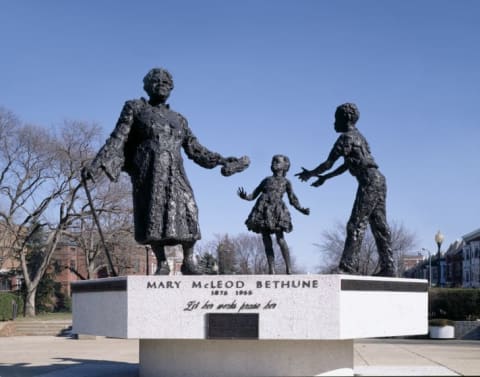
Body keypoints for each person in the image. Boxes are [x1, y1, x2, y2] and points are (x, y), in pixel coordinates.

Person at [84, 68, 249, 275]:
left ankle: (188, 262)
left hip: (175, 171)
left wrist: (222, 160)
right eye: (156, 81)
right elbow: (118, 137)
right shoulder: (135, 108)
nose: (161, 84)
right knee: (153, 213)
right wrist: (97, 163)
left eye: (166, 81)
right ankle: (162, 262)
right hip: (149, 171)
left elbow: (195, 148)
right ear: (146, 86)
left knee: (189, 210)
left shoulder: (179, 119)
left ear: (171, 87)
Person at [296, 103, 395, 277]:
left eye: (336, 119)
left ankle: (347, 266)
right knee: (379, 226)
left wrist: (311, 173)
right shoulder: (359, 137)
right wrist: (325, 178)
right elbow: (346, 165)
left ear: (346, 119)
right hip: (379, 180)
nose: (334, 123)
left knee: (355, 224)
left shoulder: (345, 138)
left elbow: (328, 163)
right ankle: (389, 267)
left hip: (369, 182)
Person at [238, 155, 309, 274]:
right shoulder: (266, 180)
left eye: (277, 162)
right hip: (263, 211)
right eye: (272, 161)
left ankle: (289, 268)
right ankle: (271, 268)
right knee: (266, 239)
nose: (274, 163)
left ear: (285, 166)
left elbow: (293, 199)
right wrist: (245, 196)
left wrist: (301, 209)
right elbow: (253, 195)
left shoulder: (286, 182)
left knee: (280, 239)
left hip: (277, 212)